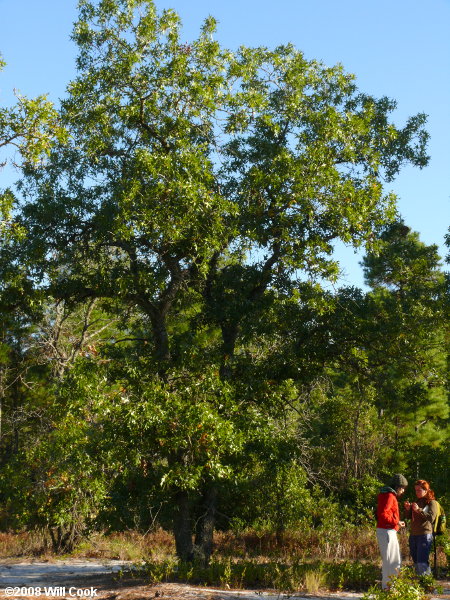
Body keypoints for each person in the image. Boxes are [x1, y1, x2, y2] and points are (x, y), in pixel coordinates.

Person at [376, 473, 408, 590]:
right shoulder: (390, 496)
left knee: (390, 561)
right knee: (392, 561)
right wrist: (396, 522)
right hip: (387, 531)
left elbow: (384, 513)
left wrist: (396, 522)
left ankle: (388, 587)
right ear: (398, 487)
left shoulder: (385, 494)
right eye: (403, 488)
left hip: (386, 530)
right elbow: (383, 514)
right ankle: (389, 588)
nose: (403, 491)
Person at [404, 479, 438, 576]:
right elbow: (408, 517)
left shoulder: (432, 503)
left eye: (419, 490)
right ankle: (421, 584)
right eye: (416, 490)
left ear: (426, 490)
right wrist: (408, 510)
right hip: (414, 535)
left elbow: (431, 518)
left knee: (422, 562)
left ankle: (426, 584)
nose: (417, 492)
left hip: (424, 535)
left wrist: (419, 510)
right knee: (416, 561)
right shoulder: (417, 501)